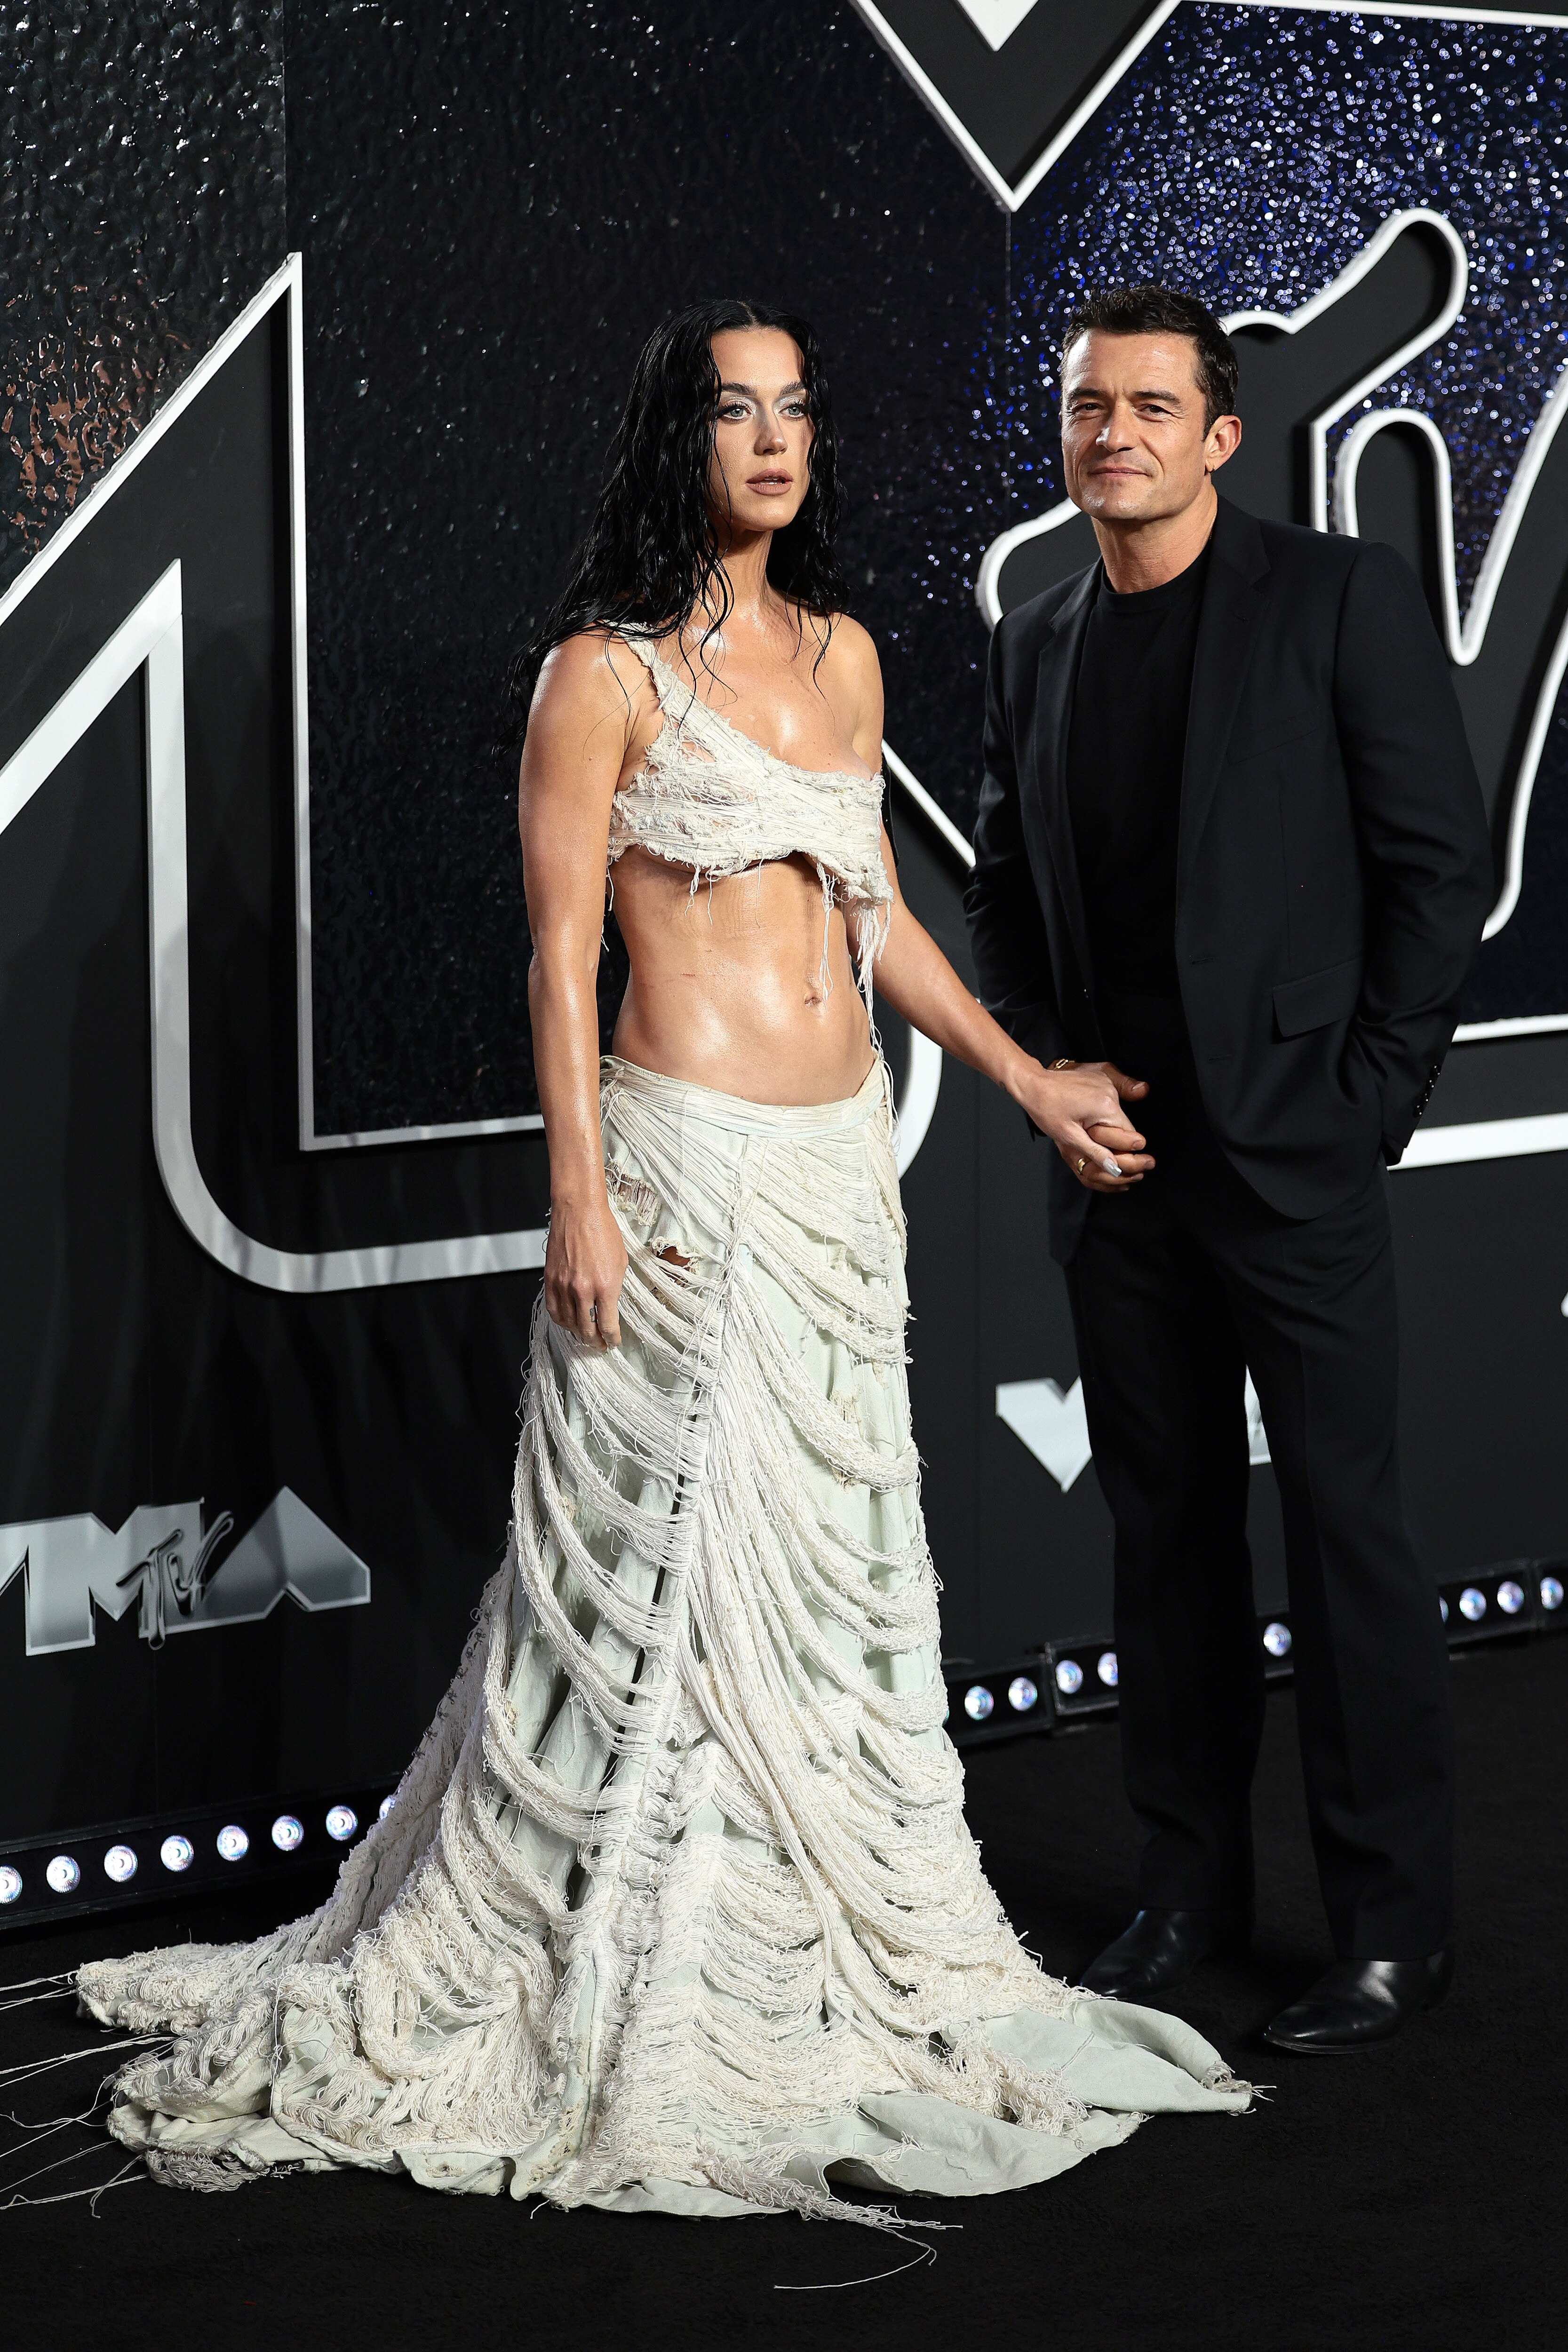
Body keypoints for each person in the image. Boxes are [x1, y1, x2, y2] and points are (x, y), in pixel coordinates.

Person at [75, 299, 1247, 2217]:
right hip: (680, 1163)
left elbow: (875, 921)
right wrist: (581, 1197)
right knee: (647, 1592)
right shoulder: (600, 675)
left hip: (834, 1180)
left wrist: (1030, 1078)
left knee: (834, 1591)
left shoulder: (850, 657)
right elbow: (558, 958)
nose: (772, 440)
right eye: (733, 410)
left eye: (796, 409)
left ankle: (820, 1927)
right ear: (673, 440)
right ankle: (628, 1939)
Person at [966, 285, 1493, 2054]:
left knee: (1347, 1545)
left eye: (1146, 407)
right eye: (1085, 405)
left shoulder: (1333, 602)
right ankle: (1186, 1893)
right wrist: (1045, 1072)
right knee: (1163, 1548)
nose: (1110, 431)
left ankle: (1389, 1933)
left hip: (1295, 1165)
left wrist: (1365, 1106)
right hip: (1119, 1178)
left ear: (1218, 435)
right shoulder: (1034, 636)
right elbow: (1002, 906)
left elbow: (1439, 872)